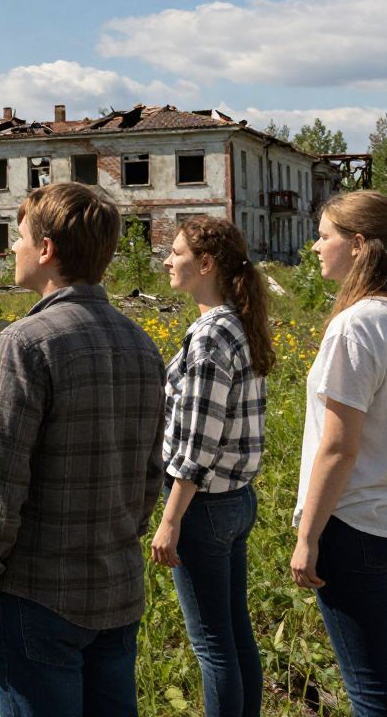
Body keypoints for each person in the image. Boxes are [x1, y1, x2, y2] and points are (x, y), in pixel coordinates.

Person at [0, 182, 165, 717]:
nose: (15, 249)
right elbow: (149, 476)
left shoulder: (25, 343)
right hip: (117, 590)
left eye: (20, 237)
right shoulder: (142, 344)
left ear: (46, 250)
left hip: (38, 598)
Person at [292, 190, 387, 717]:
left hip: (354, 527)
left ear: (356, 245)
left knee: (371, 690)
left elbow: (338, 446)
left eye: (324, 236)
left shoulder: (354, 326)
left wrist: (308, 535)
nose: (315, 247)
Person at [150, 217, 274, 717]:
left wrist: (170, 519)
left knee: (212, 646)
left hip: (202, 507)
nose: (166, 260)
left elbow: (199, 443)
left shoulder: (208, 338)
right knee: (234, 632)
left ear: (205, 264)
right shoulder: (237, 324)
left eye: (175, 252)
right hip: (236, 500)